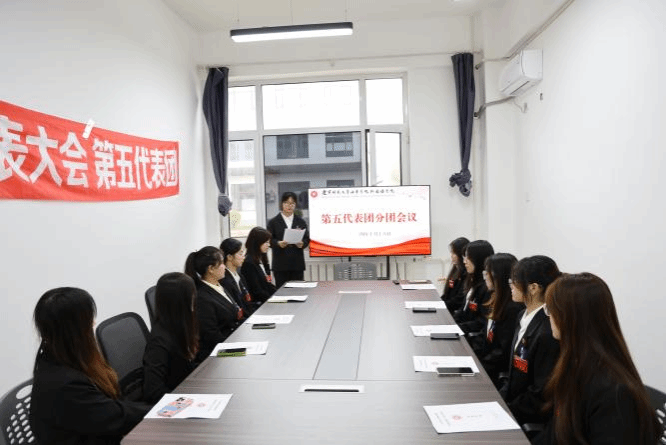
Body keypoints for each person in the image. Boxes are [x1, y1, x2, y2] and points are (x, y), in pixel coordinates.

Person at [534, 273, 660, 445]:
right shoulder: (575, 366)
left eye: (550, 309)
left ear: (570, 318)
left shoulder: (614, 394)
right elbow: (555, 434)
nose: (548, 316)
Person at [30, 287, 150, 445]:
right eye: (88, 320)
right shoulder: (66, 385)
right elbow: (116, 417)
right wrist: (162, 410)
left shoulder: (56, 358)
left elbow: (112, 409)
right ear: (74, 331)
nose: (93, 323)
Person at [499, 255, 561, 425]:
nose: (511, 285)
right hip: (512, 404)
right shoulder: (522, 315)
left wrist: (506, 411)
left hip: (526, 416)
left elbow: (540, 392)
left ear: (533, 288)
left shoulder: (547, 331)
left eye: (515, 281)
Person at [142, 273, 199, 404]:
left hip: (186, 387)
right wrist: (188, 401)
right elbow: (153, 392)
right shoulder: (160, 342)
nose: (195, 299)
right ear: (180, 301)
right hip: (175, 401)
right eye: (192, 295)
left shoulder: (180, 326)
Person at [185, 246, 243, 363]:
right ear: (211, 269)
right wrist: (241, 346)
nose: (224, 266)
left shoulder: (218, 286)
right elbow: (211, 336)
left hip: (231, 341)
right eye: (221, 263)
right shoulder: (202, 297)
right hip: (217, 354)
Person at [477, 253, 523, 387]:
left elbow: (503, 352)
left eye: (488, 273)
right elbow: (486, 334)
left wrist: (479, 365)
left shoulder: (513, 308)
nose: (485, 276)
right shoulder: (494, 298)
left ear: (499, 276)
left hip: (494, 372)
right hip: (487, 363)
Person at [267, 191, 310, 289]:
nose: (289, 206)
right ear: (282, 204)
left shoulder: (301, 221)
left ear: (295, 205)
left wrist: (302, 244)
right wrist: (278, 243)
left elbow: (307, 238)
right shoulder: (273, 222)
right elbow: (269, 240)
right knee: (282, 291)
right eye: (286, 203)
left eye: (292, 203)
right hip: (280, 264)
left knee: (298, 291)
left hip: (297, 264)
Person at [453, 240, 494, 335]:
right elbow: (463, 311)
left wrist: (456, 328)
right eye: (464, 257)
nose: (464, 261)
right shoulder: (472, 282)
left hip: (469, 336)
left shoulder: (486, 288)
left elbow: (480, 323)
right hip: (462, 330)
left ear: (479, 259)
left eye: (468, 257)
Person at [220, 237, 257, 315]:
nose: (243, 257)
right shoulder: (225, 280)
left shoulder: (239, 276)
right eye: (240, 254)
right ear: (229, 257)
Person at [241, 227, 277, 304]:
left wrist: (279, 294)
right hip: (260, 303)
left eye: (269, 242)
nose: (269, 245)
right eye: (266, 242)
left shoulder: (261, 258)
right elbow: (257, 291)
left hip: (266, 299)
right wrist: (274, 300)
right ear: (257, 243)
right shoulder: (249, 263)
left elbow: (267, 284)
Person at [440, 237, 469, 310]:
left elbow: (458, 301)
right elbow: (447, 295)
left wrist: (440, 305)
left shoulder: (466, 273)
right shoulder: (456, 269)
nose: (451, 255)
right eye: (451, 252)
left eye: (454, 253)